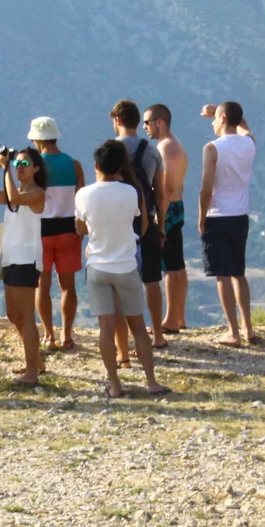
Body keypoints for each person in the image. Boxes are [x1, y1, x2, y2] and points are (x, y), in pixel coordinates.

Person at [75, 140, 170, 399]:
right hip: (126, 265)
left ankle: (115, 385)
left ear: (96, 165)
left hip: (97, 266)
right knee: (138, 326)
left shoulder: (83, 194)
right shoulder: (131, 192)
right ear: (121, 166)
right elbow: (139, 222)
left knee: (106, 328)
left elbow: (80, 227)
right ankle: (151, 382)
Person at [0, 147, 47, 385]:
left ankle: (32, 372)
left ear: (36, 168)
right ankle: (35, 360)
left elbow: (16, 200)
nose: (20, 168)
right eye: (17, 164)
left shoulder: (37, 193)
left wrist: (6, 167)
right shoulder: (14, 190)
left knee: (26, 317)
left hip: (27, 259)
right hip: (10, 257)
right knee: (13, 314)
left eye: (25, 164)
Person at [197, 101, 258, 347]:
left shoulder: (212, 148)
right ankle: (248, 327)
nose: (211, 122)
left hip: (218, 215)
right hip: (240, 215)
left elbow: (206, 188)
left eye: (215, 118)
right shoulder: (249, 143)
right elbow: (244, 126)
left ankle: (232, 331)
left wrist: (201, 217)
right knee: (238, 273)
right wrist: (224, 109)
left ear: (222, 118)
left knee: (221, 275)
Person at [111, 99, 166, 357]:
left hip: (120, 222)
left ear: (118, 121)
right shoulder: (153, 151)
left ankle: (126, 343)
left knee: (121, 280)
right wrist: (161, 224)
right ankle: (157, 334)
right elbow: (161, 191)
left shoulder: (110, 151)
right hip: (148, 221)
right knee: (152, 279)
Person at [30, 116, 87, 352]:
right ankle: (67, 335)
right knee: (68, 286)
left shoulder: (33, 166)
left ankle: (48, 334)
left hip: (41, 230)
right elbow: (82, 201)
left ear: (36, 139)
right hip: (68, 231)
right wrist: (81, 230)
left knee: (42, 285)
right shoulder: (74, 164)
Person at [144, 104, 189, 334]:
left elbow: (168, 186)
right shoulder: (176, 144)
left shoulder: (166, 147)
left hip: (169, 208)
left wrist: (159, 220)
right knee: (178, 264)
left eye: (147, 123)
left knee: (170, 266)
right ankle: (179, 316)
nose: (145, 128)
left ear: (159, 122)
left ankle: (171, 319)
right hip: (177, 206)